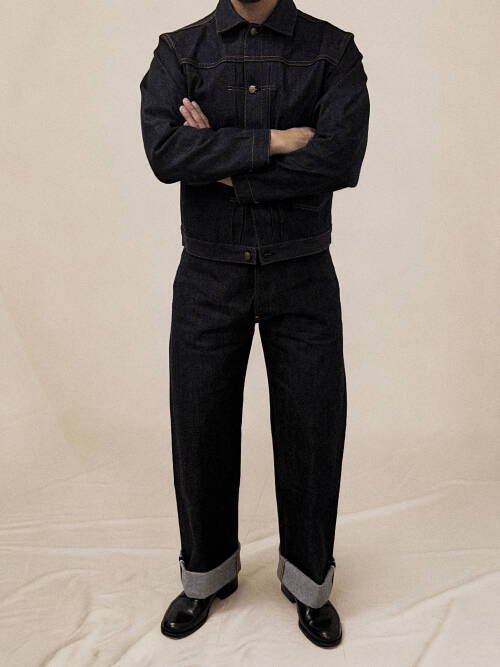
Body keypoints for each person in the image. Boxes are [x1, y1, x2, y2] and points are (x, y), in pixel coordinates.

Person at [139, 0, 369, 648]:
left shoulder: (333, 51)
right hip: (208, 273)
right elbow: (165, 151)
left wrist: (219, 161)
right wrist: (276, 140)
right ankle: (205, 575)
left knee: (314, 428)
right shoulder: (179, 51)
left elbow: (339, 160)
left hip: (303, 270)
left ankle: (309, 584)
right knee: (200, 425)